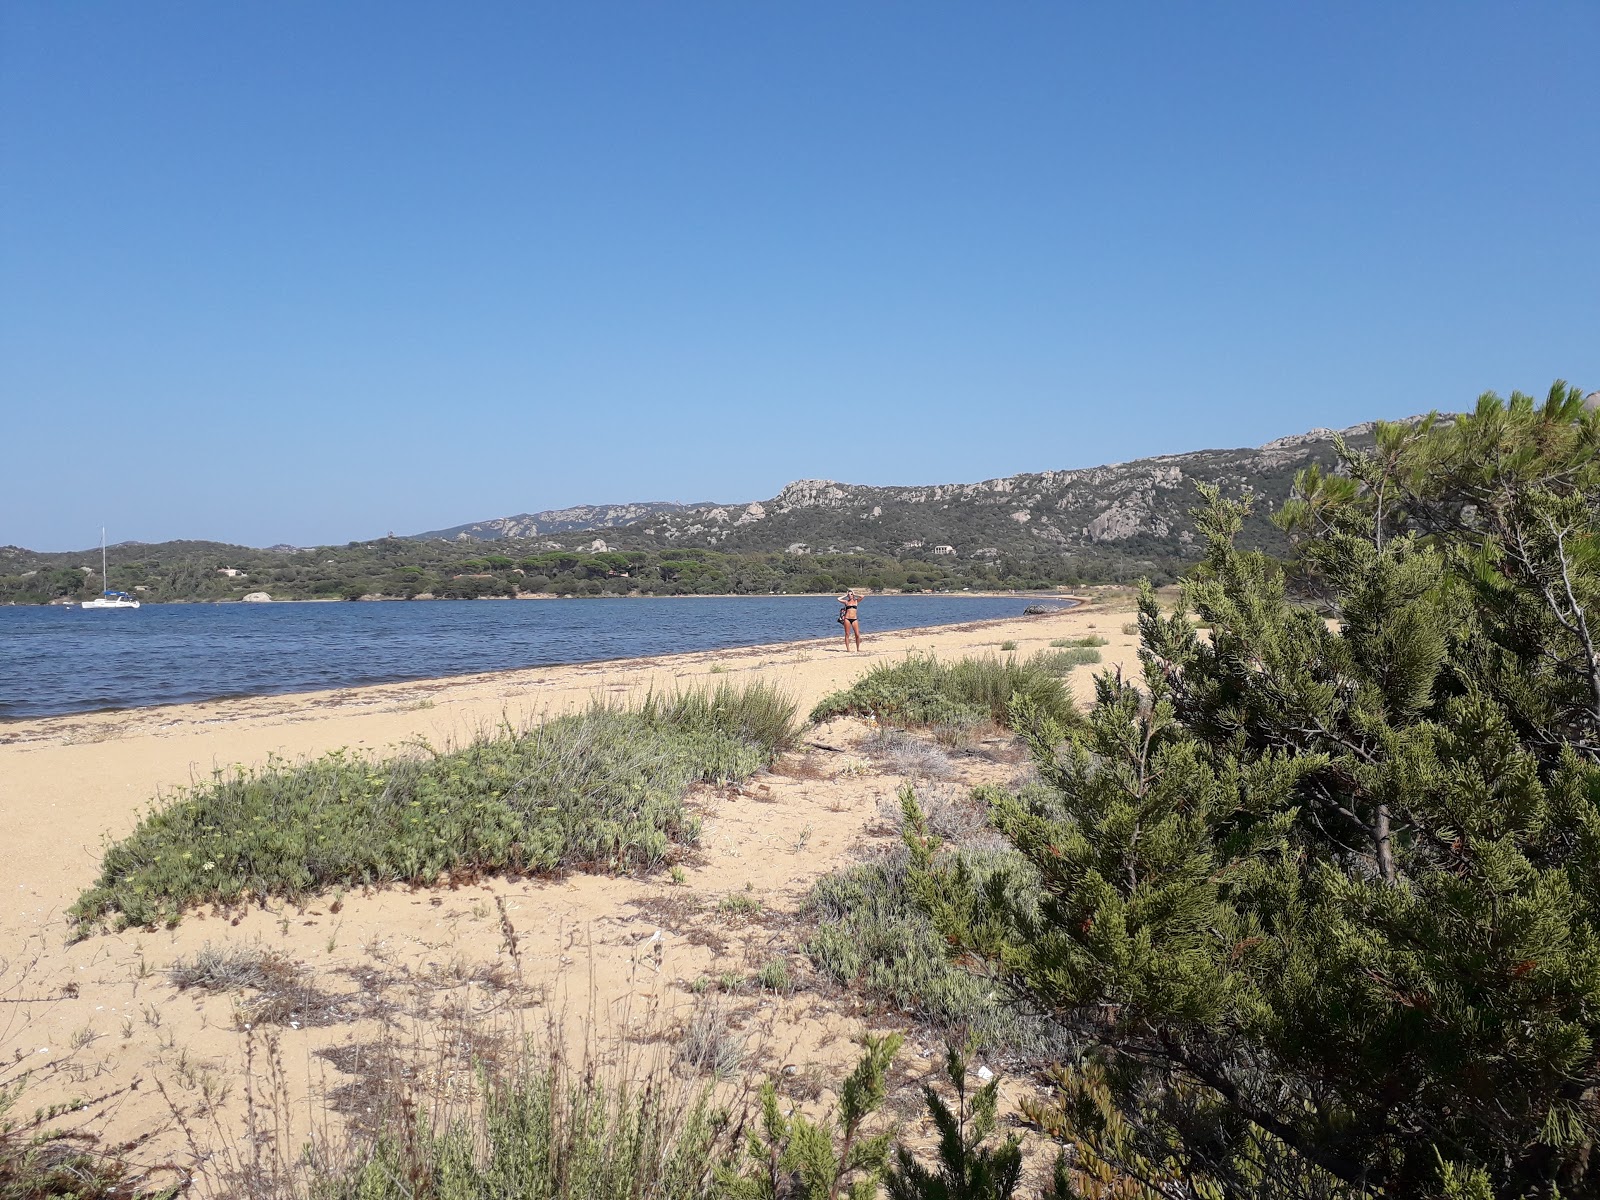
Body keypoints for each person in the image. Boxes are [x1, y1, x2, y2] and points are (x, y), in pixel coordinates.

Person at [836, 587, 863, 652]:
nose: (850, 596)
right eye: (849, 595)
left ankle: (858, 648)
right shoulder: (846, 601)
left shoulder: (856, 601)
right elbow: (838, 599)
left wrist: (854, 594)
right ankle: (848, 649)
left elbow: (862, 596)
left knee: (857, 634)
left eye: (851, 594)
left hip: (854, 619)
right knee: (847, 634)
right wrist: (845, 595)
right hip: (847, 619)